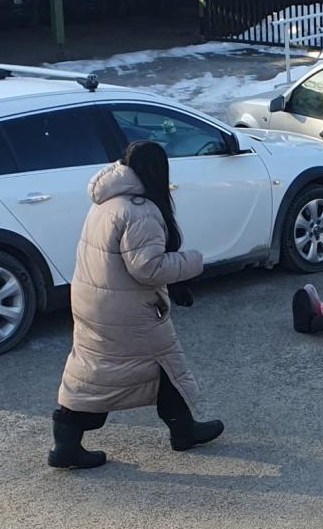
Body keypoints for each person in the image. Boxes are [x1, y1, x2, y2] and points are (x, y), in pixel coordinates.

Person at [49, 141, 222, 469]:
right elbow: (148, 267)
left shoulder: (107, 201)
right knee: (162, 363)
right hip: (126, 311)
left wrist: (176, 284)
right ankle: (183, 431)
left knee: (93, 371)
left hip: (94, 301)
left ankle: (66, 444)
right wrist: (193, 262)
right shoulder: (139, 210)